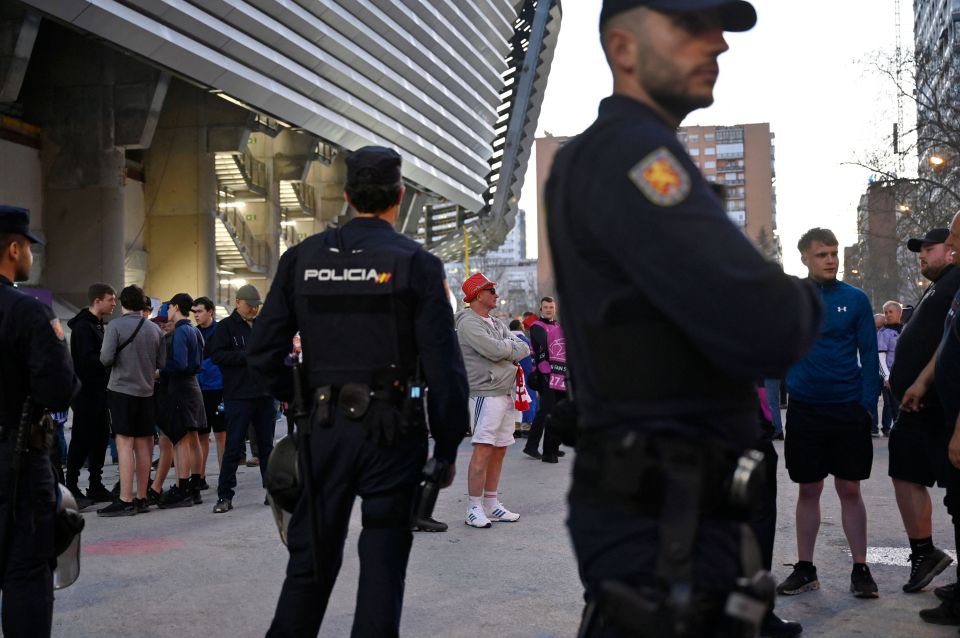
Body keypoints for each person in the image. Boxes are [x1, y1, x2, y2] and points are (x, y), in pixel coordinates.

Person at [545, 2, 821, 636]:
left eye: (717, 29)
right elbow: (769, 325)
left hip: (659, 504)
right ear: (624, 48)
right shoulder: (636, 154)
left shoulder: (604, 154)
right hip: (665, 516)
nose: (717, 44)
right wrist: (802, 297)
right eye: (690, 27)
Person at [247, 145, 468, 637]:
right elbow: (444, 368)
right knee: (383, 563)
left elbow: (262, 353)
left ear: (347, 196)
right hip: (393, 432)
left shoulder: (301, 259)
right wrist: (448, 446)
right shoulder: (417, 263)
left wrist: (302, 396)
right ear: (399, 195)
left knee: (309, 566)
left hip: (322, 432)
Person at [778, 228, 881, 599]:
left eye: (834, 253)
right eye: (822, 254)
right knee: (808, 488)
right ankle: (805, 569)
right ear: (804, 257)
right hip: (805, 409)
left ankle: (861, 568)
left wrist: (867, 405)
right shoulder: (792, 299)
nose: (832, 259)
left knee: (850, 488)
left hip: (847, 408)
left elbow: (870, 355)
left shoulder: (854, 300)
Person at [0, 206, 78, 636]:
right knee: (25, 575)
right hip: (15, 464)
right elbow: (59, 391)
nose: (31, 256)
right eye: (29, 247)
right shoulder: (26, 312)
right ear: (14, 248)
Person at [881, 228, 958, 600]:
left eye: (932, 248)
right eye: (920, 250)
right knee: (905, 470)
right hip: (918, 407)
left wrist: (924, 382)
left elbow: (951, 341)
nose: (922, 255)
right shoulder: (939, 285)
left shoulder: (956, 278)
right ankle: (924, 554)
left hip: (941, 406)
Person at [902, 216, 960, 624]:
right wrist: (921, 381)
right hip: (934, 403)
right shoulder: (949, 286)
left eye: (952, 237)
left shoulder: (954, 280)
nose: (948, 245)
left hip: (950, 414)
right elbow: (947, 342)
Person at [456, 273, 530, 529]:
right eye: (491, 291)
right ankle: (473, 508)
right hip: (485, 393)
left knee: (499, 450)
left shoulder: (496, 323)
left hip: (504, 392)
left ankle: (491, 503)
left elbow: (524, 347)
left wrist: (507, 348)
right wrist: (508, 349)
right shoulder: (468, 322)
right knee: (483, 449)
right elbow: (497, 350)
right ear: (478, 295)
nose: (496, 295)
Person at [206, 284, 276, 512]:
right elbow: (216, 355)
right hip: (238, 396)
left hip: (264, 395)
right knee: (233, 447)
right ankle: (224, 496)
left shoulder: (262, 326)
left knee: (266, 447)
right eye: (250, 306)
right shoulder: (225, 328)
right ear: (237, 303)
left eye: (256, 307)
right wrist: (246, 357)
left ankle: (273, 492)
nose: (253, 310)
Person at [97, 285, 166, 516]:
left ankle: (125, 499)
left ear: (124, 303)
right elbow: (161, 364)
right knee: (144, 444)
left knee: (124, 444)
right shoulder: (155, 330)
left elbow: (105, 359)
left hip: (121, 392)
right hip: (147, 392)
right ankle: (142, 497)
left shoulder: (115, 326)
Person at [66, 282, 116, 507]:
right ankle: (71, 486)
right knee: (81, 439)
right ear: (98, 301)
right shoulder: (83, 328)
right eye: (110, 299)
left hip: (99, 391)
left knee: (100, 438)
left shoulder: (97, 325)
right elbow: (86, 361)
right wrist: (109, 361)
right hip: (86, 392)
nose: (114, 303)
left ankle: (95, 484)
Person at [155, 293, 207, 508]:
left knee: (181, 440)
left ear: (176, 307)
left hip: (180, 388)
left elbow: (179, 363)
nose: (167, 312)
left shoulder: (180, 332)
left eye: (169, 308)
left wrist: (159, 371)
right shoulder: (195, 331)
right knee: (193, 438)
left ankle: (183, 487)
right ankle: (195, 485)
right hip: (194, 387)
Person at [523, 296, 567, 463]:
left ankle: (553, 446)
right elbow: (546, 342)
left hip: (560, 373)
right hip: (544, 373)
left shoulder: (557, 325)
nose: (549, 309)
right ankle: (531, 446)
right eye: (546, 307)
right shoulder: (536, 326)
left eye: (551, 307)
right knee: (546, 411)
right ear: (541, 309)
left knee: (557, 411)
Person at [191, 296, 225, 489]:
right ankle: (200, 476)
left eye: (200, 311)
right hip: (199, 389)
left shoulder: (221, 331)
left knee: (221, 435)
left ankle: (224, 477)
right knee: (201, 435)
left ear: (210, 311)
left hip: (218, 388)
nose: (196, 315)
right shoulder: (193, 332)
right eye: (194, 312)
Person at [876, 301, 903, 436]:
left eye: (890, 312)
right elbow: (881, 357)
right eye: (886, 312)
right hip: (889, 375)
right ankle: (887, 428)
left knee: (902, 404)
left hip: (904, 374)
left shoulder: (906, 329)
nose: (887, 315)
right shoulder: (883, 333)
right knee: (890, 404)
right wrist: (886, 377)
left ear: (899, 313)